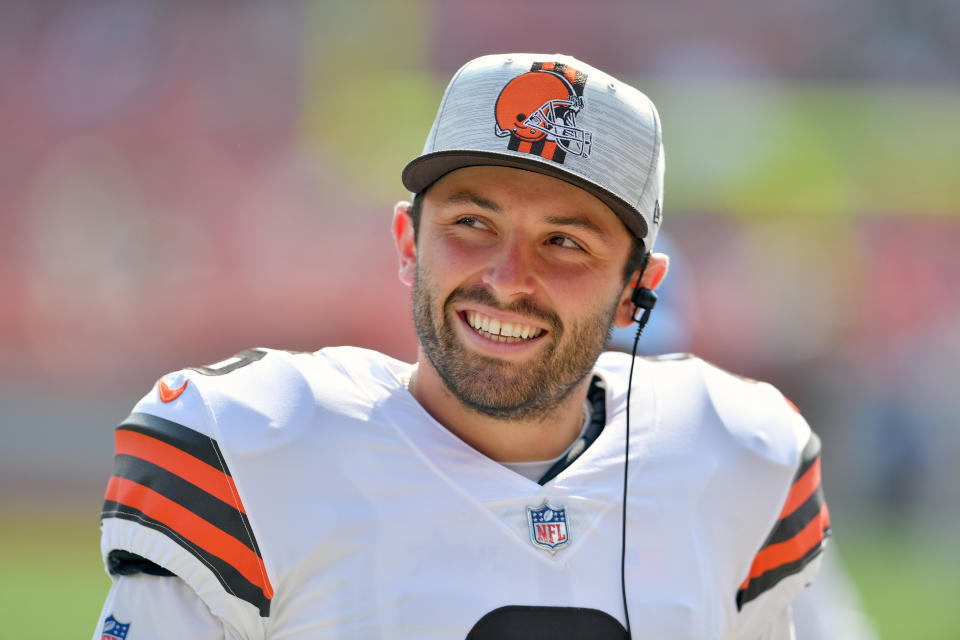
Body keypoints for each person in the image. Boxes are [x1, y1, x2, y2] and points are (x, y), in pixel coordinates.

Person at [94, 53, 830, 639]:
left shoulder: (739, 458)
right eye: (473, 224)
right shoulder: (250, 449)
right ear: (408, 244)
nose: (509, 281)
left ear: (638, 288)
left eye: (564, 242)